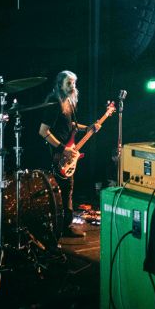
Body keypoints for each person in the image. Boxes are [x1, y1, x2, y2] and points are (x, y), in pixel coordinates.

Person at [39, 70, 99, 240]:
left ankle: (65, 226)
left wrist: (87, 128)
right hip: (56, 155)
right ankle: (60, 228)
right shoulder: (54, 101)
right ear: (60, 85)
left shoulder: (69, 102)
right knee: (59, 193)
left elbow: (70, 124)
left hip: (67, 153)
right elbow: (43, 131)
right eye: (69, 83)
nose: (73, 86)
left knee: (68, 190)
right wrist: (62, 149)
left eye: (74, 83)